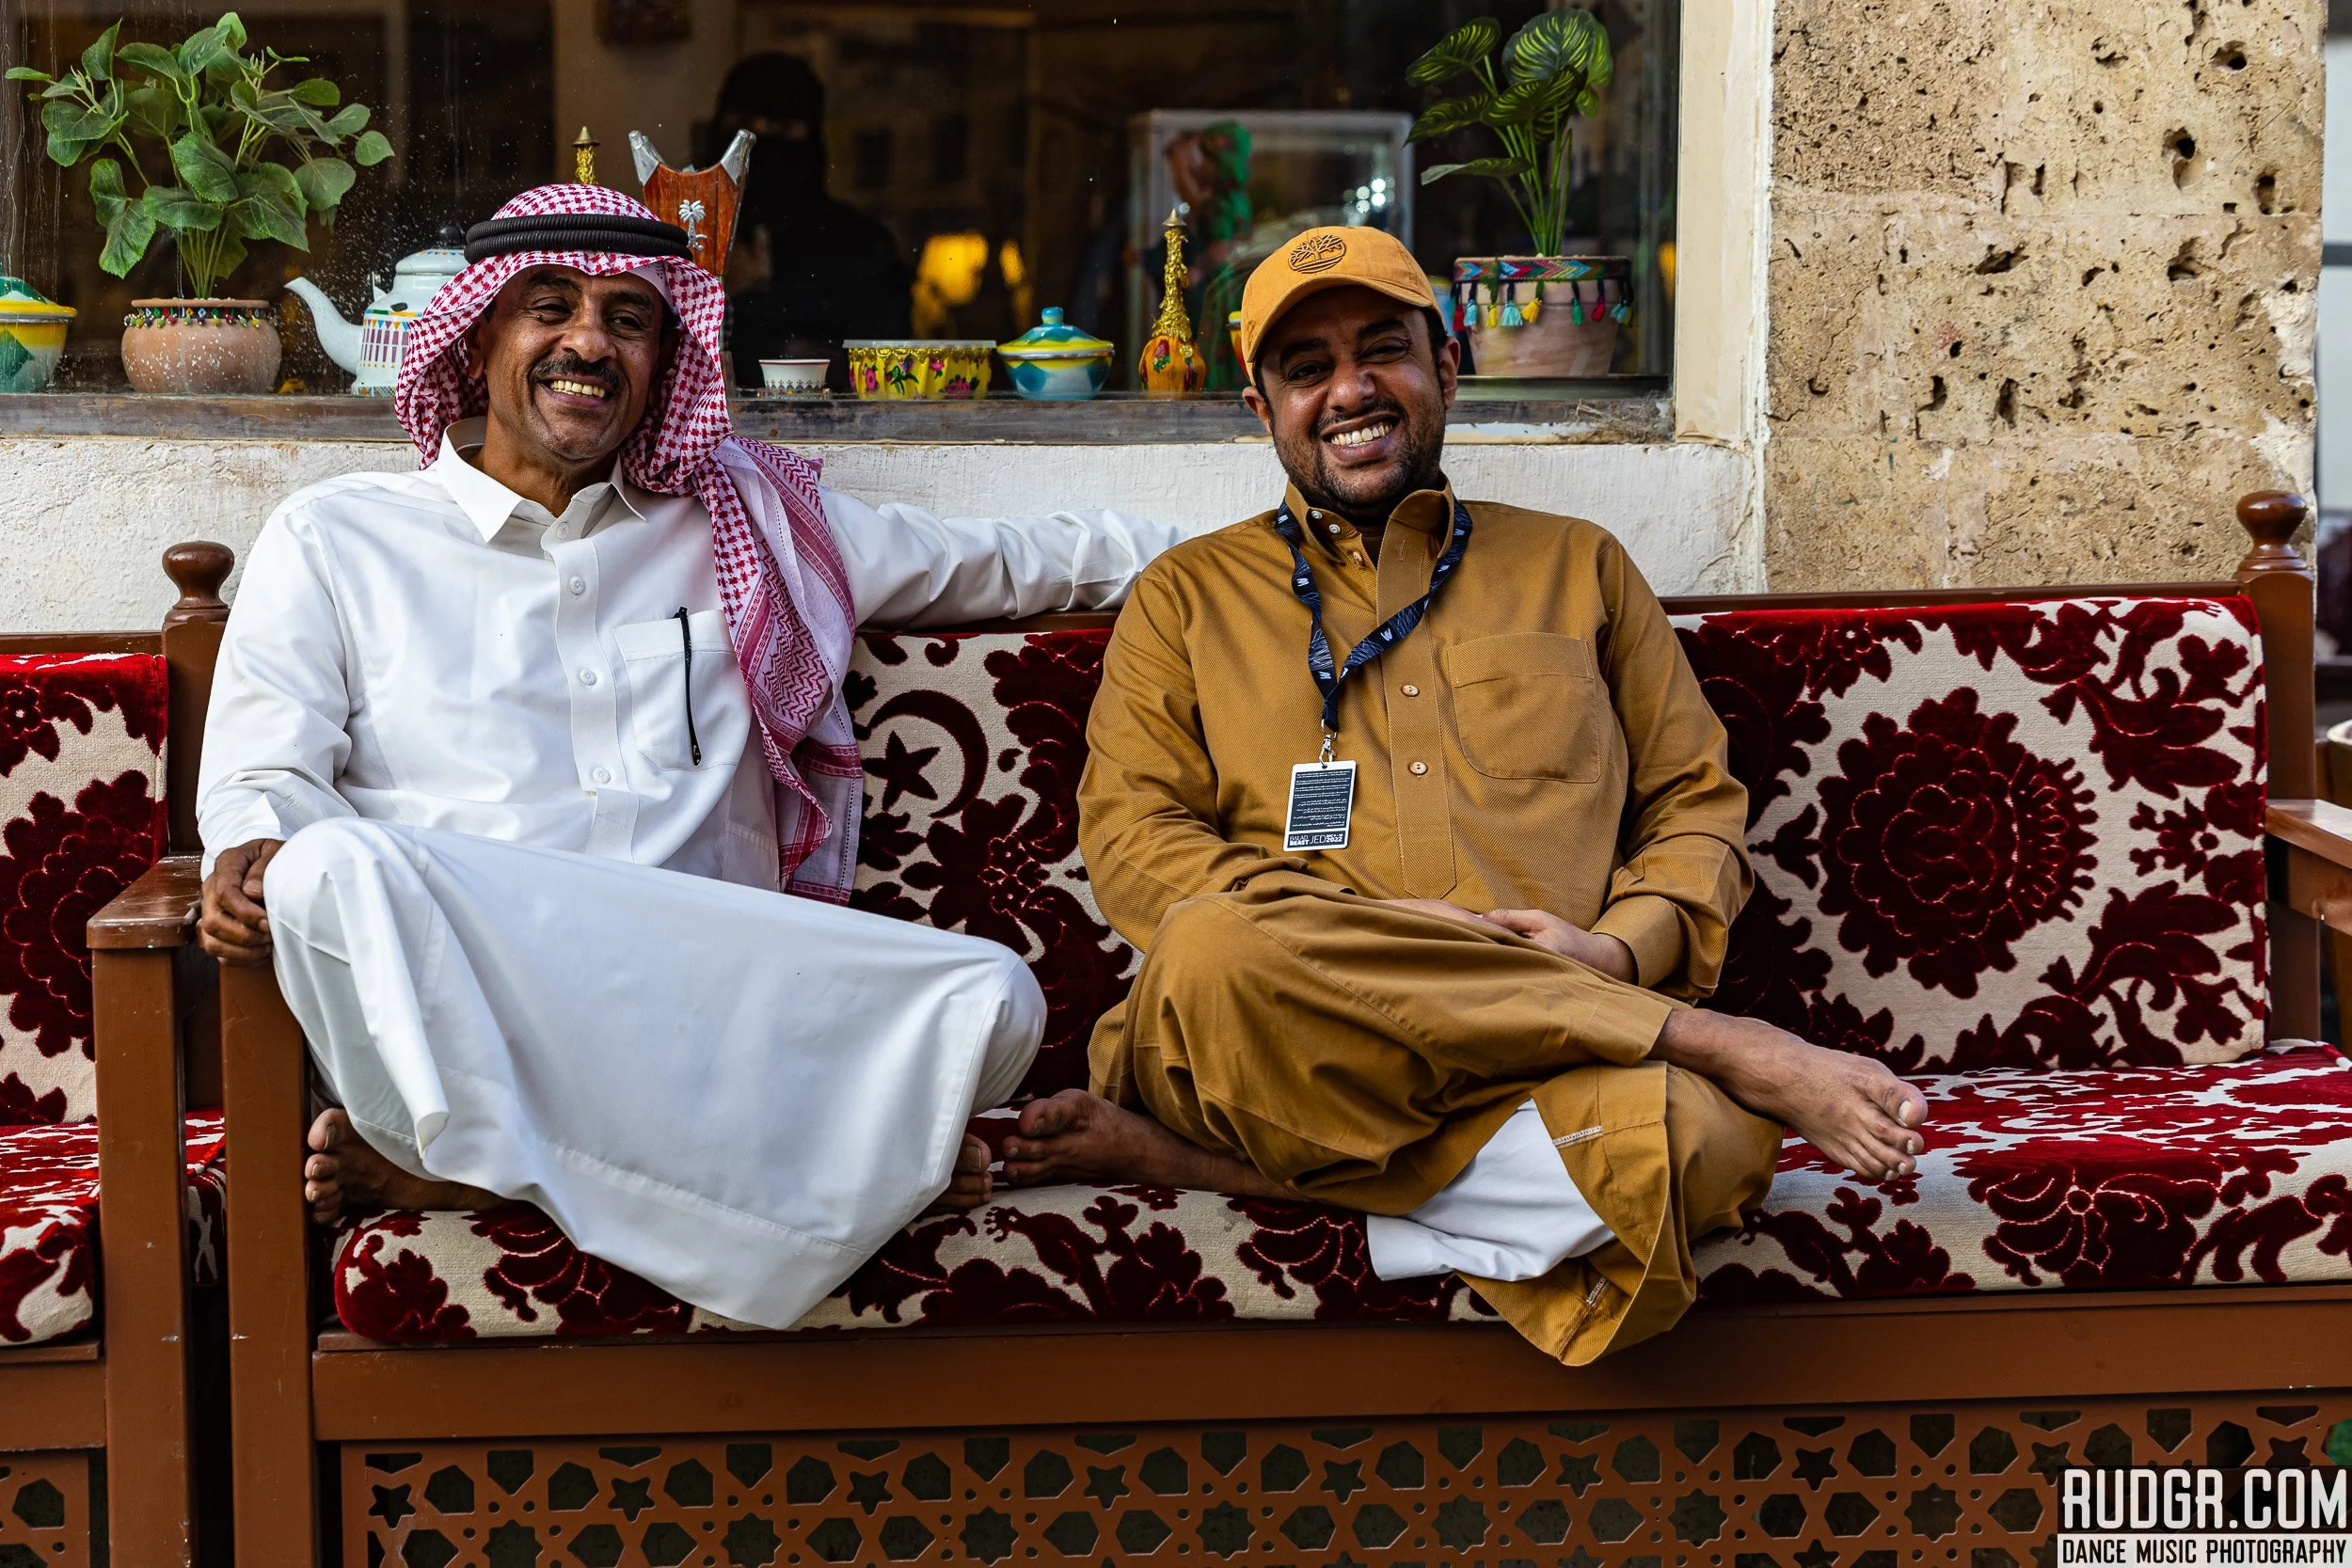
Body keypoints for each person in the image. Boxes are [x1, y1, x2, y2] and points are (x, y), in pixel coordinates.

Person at [193, 183, 1186, 1333]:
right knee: (325, 869)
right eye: (549, 308)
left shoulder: (757, 526)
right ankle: (822, 1171)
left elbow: (1012, 561)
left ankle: (502, 1170)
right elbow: (265, 766)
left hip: (705, 1008)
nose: (587, 342)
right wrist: (253, 843)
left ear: (667, 359)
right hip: (476, 1007)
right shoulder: (338, 536)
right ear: (478, 336)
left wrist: (1273, 545)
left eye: (627, 318)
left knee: (991, 1003)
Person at [998, 226, 1931, 1365]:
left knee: (1701, 1145)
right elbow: (1138, 845)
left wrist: (1619, 951)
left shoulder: (1579, 566)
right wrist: (1374, 943)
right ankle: (1709, 1039)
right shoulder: (1184, 598)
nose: (1350, 390)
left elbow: (1694, 805)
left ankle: (1194, 1164)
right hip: (1286, 1037)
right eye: (1306, 368)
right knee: (1211, 946)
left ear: (1444, 369)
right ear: (1262, 409)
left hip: (1540, 1067)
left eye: (1382, 350)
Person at [709, 53, 913, 388]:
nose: (760, 142)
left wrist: (748, 299)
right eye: (742, 124)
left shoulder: (860, 244)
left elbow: (885, 370)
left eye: (780, 127)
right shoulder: (691, 233)